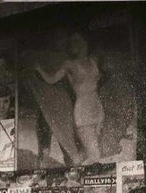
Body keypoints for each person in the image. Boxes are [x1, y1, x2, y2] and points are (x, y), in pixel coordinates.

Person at [36, 32, 104, 165]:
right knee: (95, 154)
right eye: (72, 41)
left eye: (78, 40)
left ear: (86, 42)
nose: (75, 44)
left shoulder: (93, 61)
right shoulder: (69, 64)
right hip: (83, 112)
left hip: (98, 108)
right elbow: (51, 79)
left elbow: (100, 79)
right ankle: (76, 173)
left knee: (90, 152)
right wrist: (38, 69)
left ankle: (75, 173)